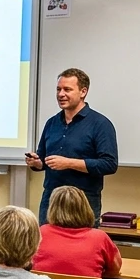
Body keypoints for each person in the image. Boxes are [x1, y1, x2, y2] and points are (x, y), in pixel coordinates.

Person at [26, 68, 118, 224]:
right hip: (51, 199)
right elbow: (43, 160)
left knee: (82, 247)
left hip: (83, 201)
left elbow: (109, 164)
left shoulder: (100, 124)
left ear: (83, 92)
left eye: (67, 89)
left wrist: (69, 163)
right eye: (58, 89)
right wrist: (36, 163)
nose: (61, 94)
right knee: (47, 246)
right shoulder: (52, 123)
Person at [33, 186, 122, 279]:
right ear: (85, 208)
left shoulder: (41, 233)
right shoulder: (99, 237)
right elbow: (115, 269)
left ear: (51, 208)